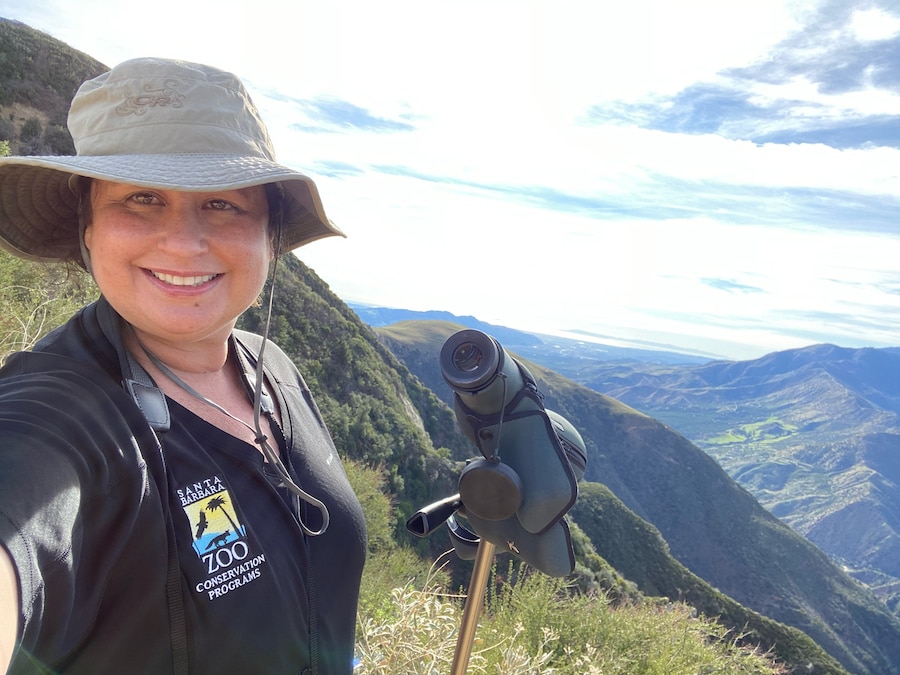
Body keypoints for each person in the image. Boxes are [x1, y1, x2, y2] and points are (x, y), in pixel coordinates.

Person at [0, 57, 367, 674]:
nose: (184, 243)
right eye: (141, 198)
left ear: (269, 235)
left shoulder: (272, 366)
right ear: (87, 227)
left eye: (222, 203)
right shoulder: (64, 412)